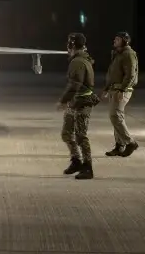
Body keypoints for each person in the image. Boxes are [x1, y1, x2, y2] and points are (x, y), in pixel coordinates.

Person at [57, 32, 98, 180]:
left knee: (81, 136)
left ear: (72, 45)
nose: (67, 47)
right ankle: (76, 161)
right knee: (66, 133)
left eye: (69, 44)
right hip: (74, 102)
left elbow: (75, 84)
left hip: (82, 103)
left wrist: (63, 100)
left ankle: (88, 167)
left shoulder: (78, 62)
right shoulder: (80, 59)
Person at [102, 31, 139, 157]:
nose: (114, 41)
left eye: (117, 39)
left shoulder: (128, 54)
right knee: (117, 117)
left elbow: (130, 74)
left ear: (125, 41)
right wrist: (107, 89)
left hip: (122, 90)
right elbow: (112, 73)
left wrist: (123, 90)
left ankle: (130, 142)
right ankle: (119, 145)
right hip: (114, 89)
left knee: (115, 116)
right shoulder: (118, 54)